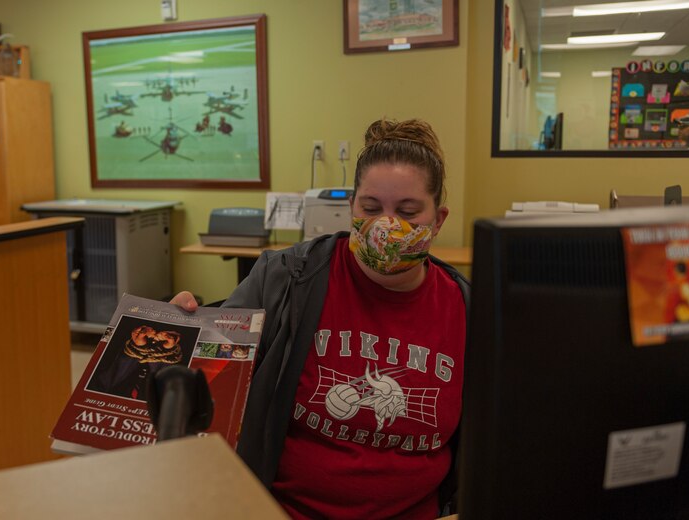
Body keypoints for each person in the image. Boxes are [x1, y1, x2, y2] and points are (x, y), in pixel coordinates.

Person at [171, 118, 469, 519]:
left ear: (439, 219)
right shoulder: (286, 278)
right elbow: (214, 377)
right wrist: (180, 332)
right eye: (370, 208)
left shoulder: (468, 310)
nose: (386, 226)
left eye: (408, 211)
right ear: (351, 207)